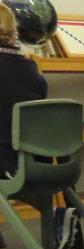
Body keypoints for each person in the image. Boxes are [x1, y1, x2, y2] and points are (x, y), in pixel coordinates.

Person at [0, 2, 47, 180]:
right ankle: (60, 209)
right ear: (15, 33)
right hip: (37, 162)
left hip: (5, 164)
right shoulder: (33, 70)